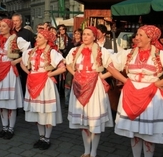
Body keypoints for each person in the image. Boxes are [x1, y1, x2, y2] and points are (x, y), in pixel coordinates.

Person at [107, 25, 163, 157]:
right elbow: (110, 65)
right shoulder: (129, 53)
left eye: (140, 35)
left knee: (148, 132)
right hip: (131, 93)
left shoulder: (160, 55)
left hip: (151, 96)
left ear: (150, 38)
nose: (137, 37)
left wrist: (158, 83)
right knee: (134, 131)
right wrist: (125, 81)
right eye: (137, 34)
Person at [65, 26, 113, 157]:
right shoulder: (75, 50)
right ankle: (86, 151)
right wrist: (75, 73)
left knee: (94, 120)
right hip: (79, 86)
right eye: (84, 34)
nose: (84, 37)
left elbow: (114, 67)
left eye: (88, 34)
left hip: (95, 86)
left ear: (94, 37)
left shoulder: (102, 51)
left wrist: (102, 76)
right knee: (83, 121)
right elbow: (67, 63)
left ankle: (94, 151)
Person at [20, 30, 66, 150]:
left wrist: (49, 75)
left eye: (40, 37)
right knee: (38, 112)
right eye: (37, 36)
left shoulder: (51, 52)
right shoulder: (31, 52)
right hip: (33, 82)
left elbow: (62, 68)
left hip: (46, 84)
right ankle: (41, 137)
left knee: (47, 112)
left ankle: (47, 138)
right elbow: (22, 63)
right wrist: (29, 73)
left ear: (46, 39)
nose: (37, 38)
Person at [0, 18, 30, 140]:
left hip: (9, 72)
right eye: (0, 26)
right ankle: (4, 127)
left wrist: (16, 61)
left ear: (10, 27)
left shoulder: (16, 39)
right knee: (1, 102)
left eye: (4, 26)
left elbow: (30, 51)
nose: (1, 28)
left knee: (10, 102)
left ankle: (11, 129)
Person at [12, 13, 35, 94]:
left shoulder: (28, 33)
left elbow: (33, 47)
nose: (15, 22)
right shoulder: (10, 32)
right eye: (13, 21)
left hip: (25, 61)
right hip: (12, 61)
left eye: (17, 20)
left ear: (21, 21)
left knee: (25, 80)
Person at [64, 28, 82, 108]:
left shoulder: (82, 44)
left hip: (78, 67)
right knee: (68, 83)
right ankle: (67, 101)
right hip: (70, 65)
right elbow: (67, 54)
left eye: (78, 34)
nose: (76, 35)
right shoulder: (71, 43)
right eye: (75, 34)